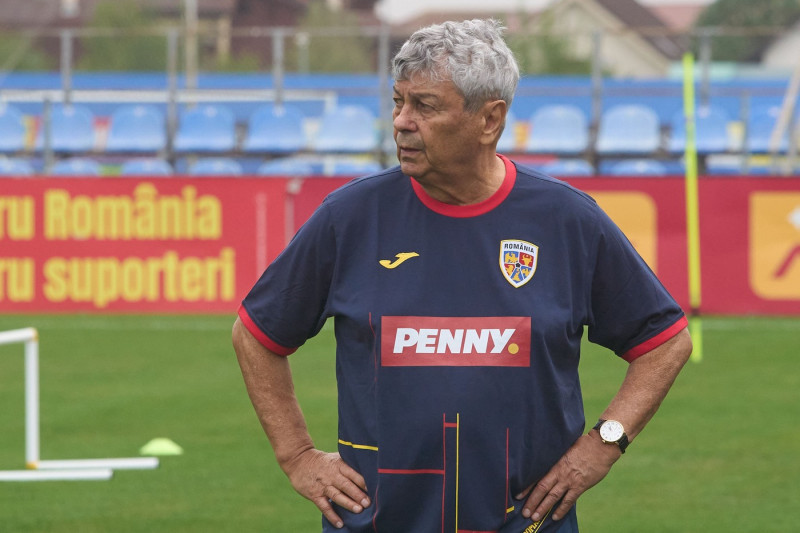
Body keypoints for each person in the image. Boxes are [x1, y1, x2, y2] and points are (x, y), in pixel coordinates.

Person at [233, 18, 692, 533]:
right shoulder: (351, 217)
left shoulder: (566, 220)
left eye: (425, 106)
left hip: (527, 524)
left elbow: (664, 341)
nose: (402, 121)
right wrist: (297, 455)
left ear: (489, 120)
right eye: (398, 101)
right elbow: (256, 334)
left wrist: (603, 445)